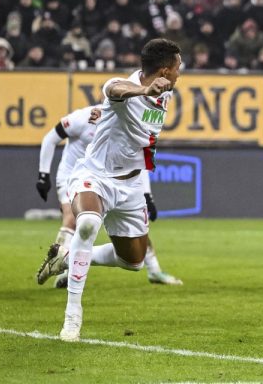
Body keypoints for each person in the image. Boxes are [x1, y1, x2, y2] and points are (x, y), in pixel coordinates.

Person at [34, 38, 182, 342]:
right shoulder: (124, 87)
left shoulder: (166, 94)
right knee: (87, 223)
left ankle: (66, 257)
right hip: (95, 175)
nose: (181, 74)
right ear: (165, 70)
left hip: (130, 184)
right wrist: (142, 90)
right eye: (178, 68)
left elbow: (139, 138)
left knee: (133, 261)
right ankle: (72, 318)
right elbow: (114, 89)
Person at [36, 105, 183, 288]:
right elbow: (50, 138)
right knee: (72, 220)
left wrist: (147, 196)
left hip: (109, 180)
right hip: (73, 176)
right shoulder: (82, 118)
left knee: (136, 231)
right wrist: (43, 175)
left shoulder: (124, 126)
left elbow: (134, 162)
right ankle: (63, 271)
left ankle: (154, 271)